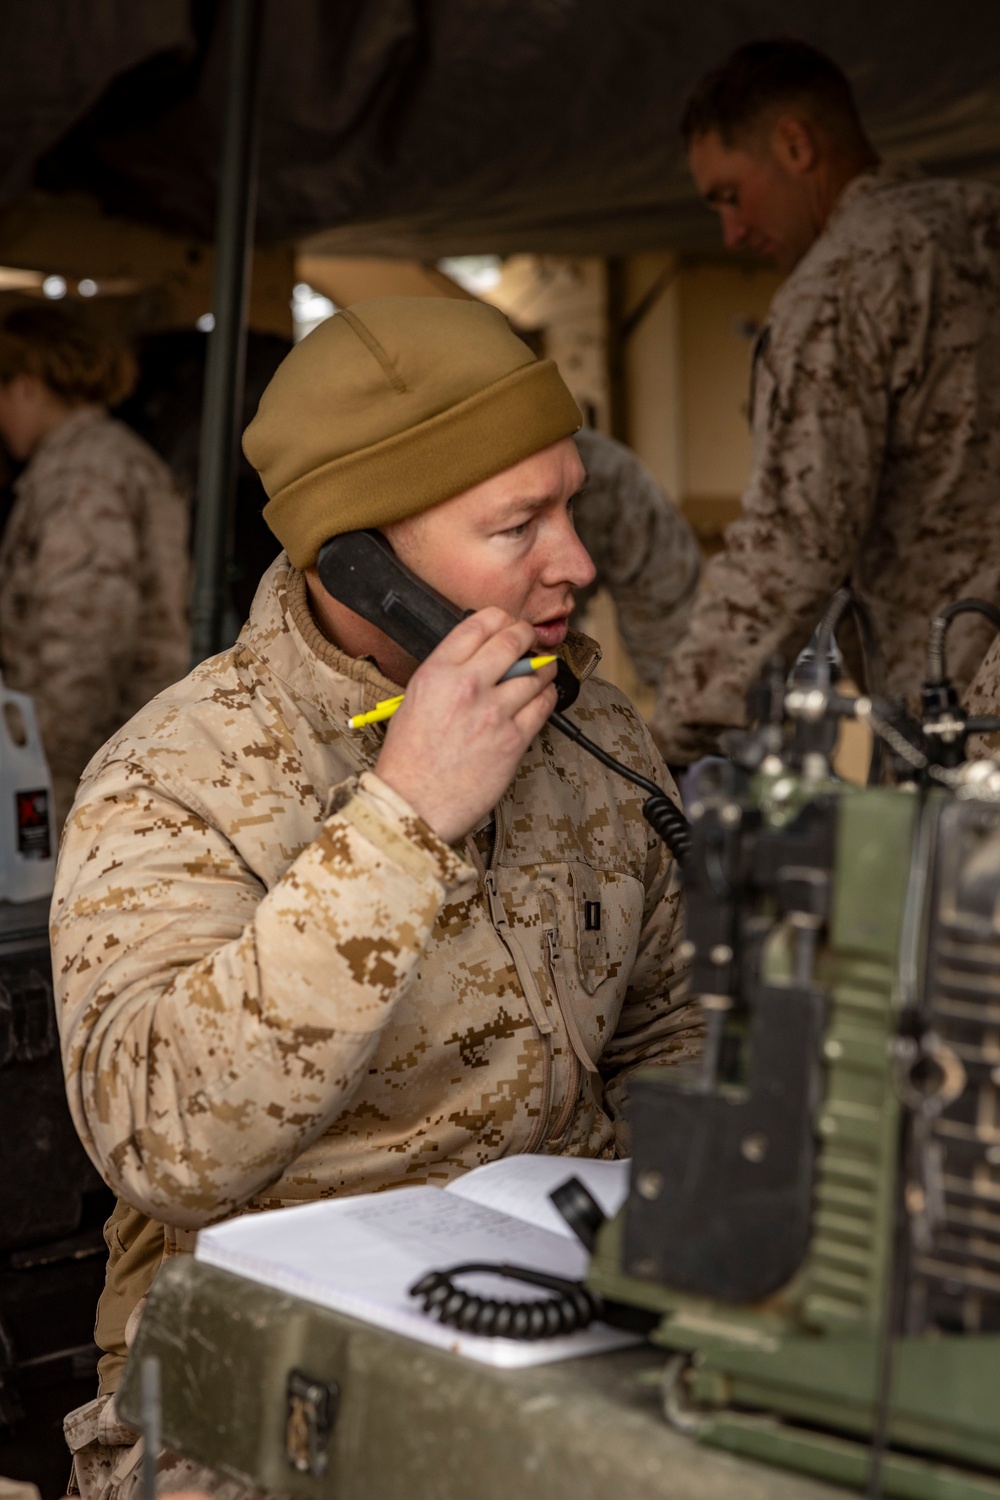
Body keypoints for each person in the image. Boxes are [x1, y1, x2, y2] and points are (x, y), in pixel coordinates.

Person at [51, 297, 700, 1498]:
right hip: (263, 1387)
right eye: (518, 526)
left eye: (570, 506)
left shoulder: (590, 729)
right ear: (359, 559)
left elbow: (665, 1028)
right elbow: (160, 1140)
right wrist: (402, 823)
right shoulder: (171, 777)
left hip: (572, 1334)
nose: (577, 563)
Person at [651, 39, 1000, 765]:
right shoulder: (984, 223)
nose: (732, 232)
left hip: (959, 721)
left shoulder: (837, 288)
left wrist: (670, 740)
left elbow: (791, 545)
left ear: (795, 144)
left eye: (729, 195)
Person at [0, 304, 190, 827]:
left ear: (26, 386)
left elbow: (84, 633)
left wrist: (43, 765)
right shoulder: (108, 459)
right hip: (113, 752)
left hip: (83, 766)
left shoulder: (83, 475)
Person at [570, 427, 700, 686]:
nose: (581, 570)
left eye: (570, 505)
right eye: (518, 528)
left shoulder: (609, 476)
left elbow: (673, 646)